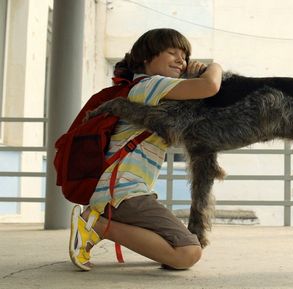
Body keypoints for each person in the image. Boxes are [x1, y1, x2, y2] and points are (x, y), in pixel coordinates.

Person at [69, 28, 223, 271]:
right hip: (122, 190)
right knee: (187, 252)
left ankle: (97, 223)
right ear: (145, 58)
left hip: (120, 191)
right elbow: (210, 86)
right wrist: (213, 67)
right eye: (172, 52)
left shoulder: (152, 92)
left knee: (176, 249)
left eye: (184, 56)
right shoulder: (150, 85)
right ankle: (95, 224)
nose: (181, 60)